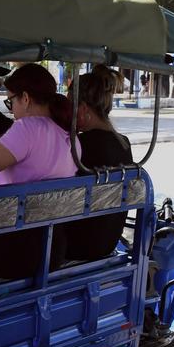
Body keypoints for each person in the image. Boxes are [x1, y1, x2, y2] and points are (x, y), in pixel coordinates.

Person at [0, 63, 78, 279]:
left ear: (25, 98)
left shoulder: (26, 129)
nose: (11, 110)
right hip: (53, 251)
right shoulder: (69, 135)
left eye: (10, 101)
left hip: (14, 250)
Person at [63, 65, 133, 260]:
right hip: (107, 242)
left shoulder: (79, 145)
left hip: (75, 246)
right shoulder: (124, 143)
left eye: (70, 107)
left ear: (83, 108)